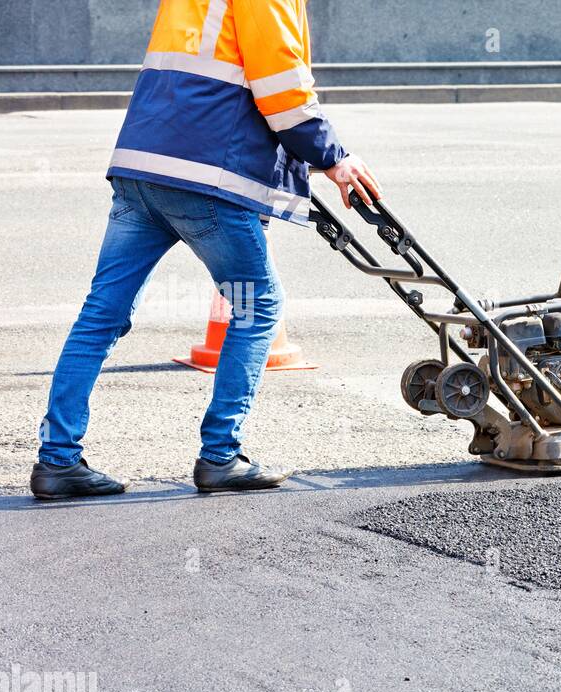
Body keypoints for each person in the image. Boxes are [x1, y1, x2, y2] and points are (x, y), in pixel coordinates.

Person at [31, 0, 379, 500]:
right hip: (205, 176)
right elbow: (282, 90)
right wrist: (333, 158)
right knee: (257, 305)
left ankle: (57, 461)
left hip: (142, 166)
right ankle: (220, 456)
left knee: (101, 313)